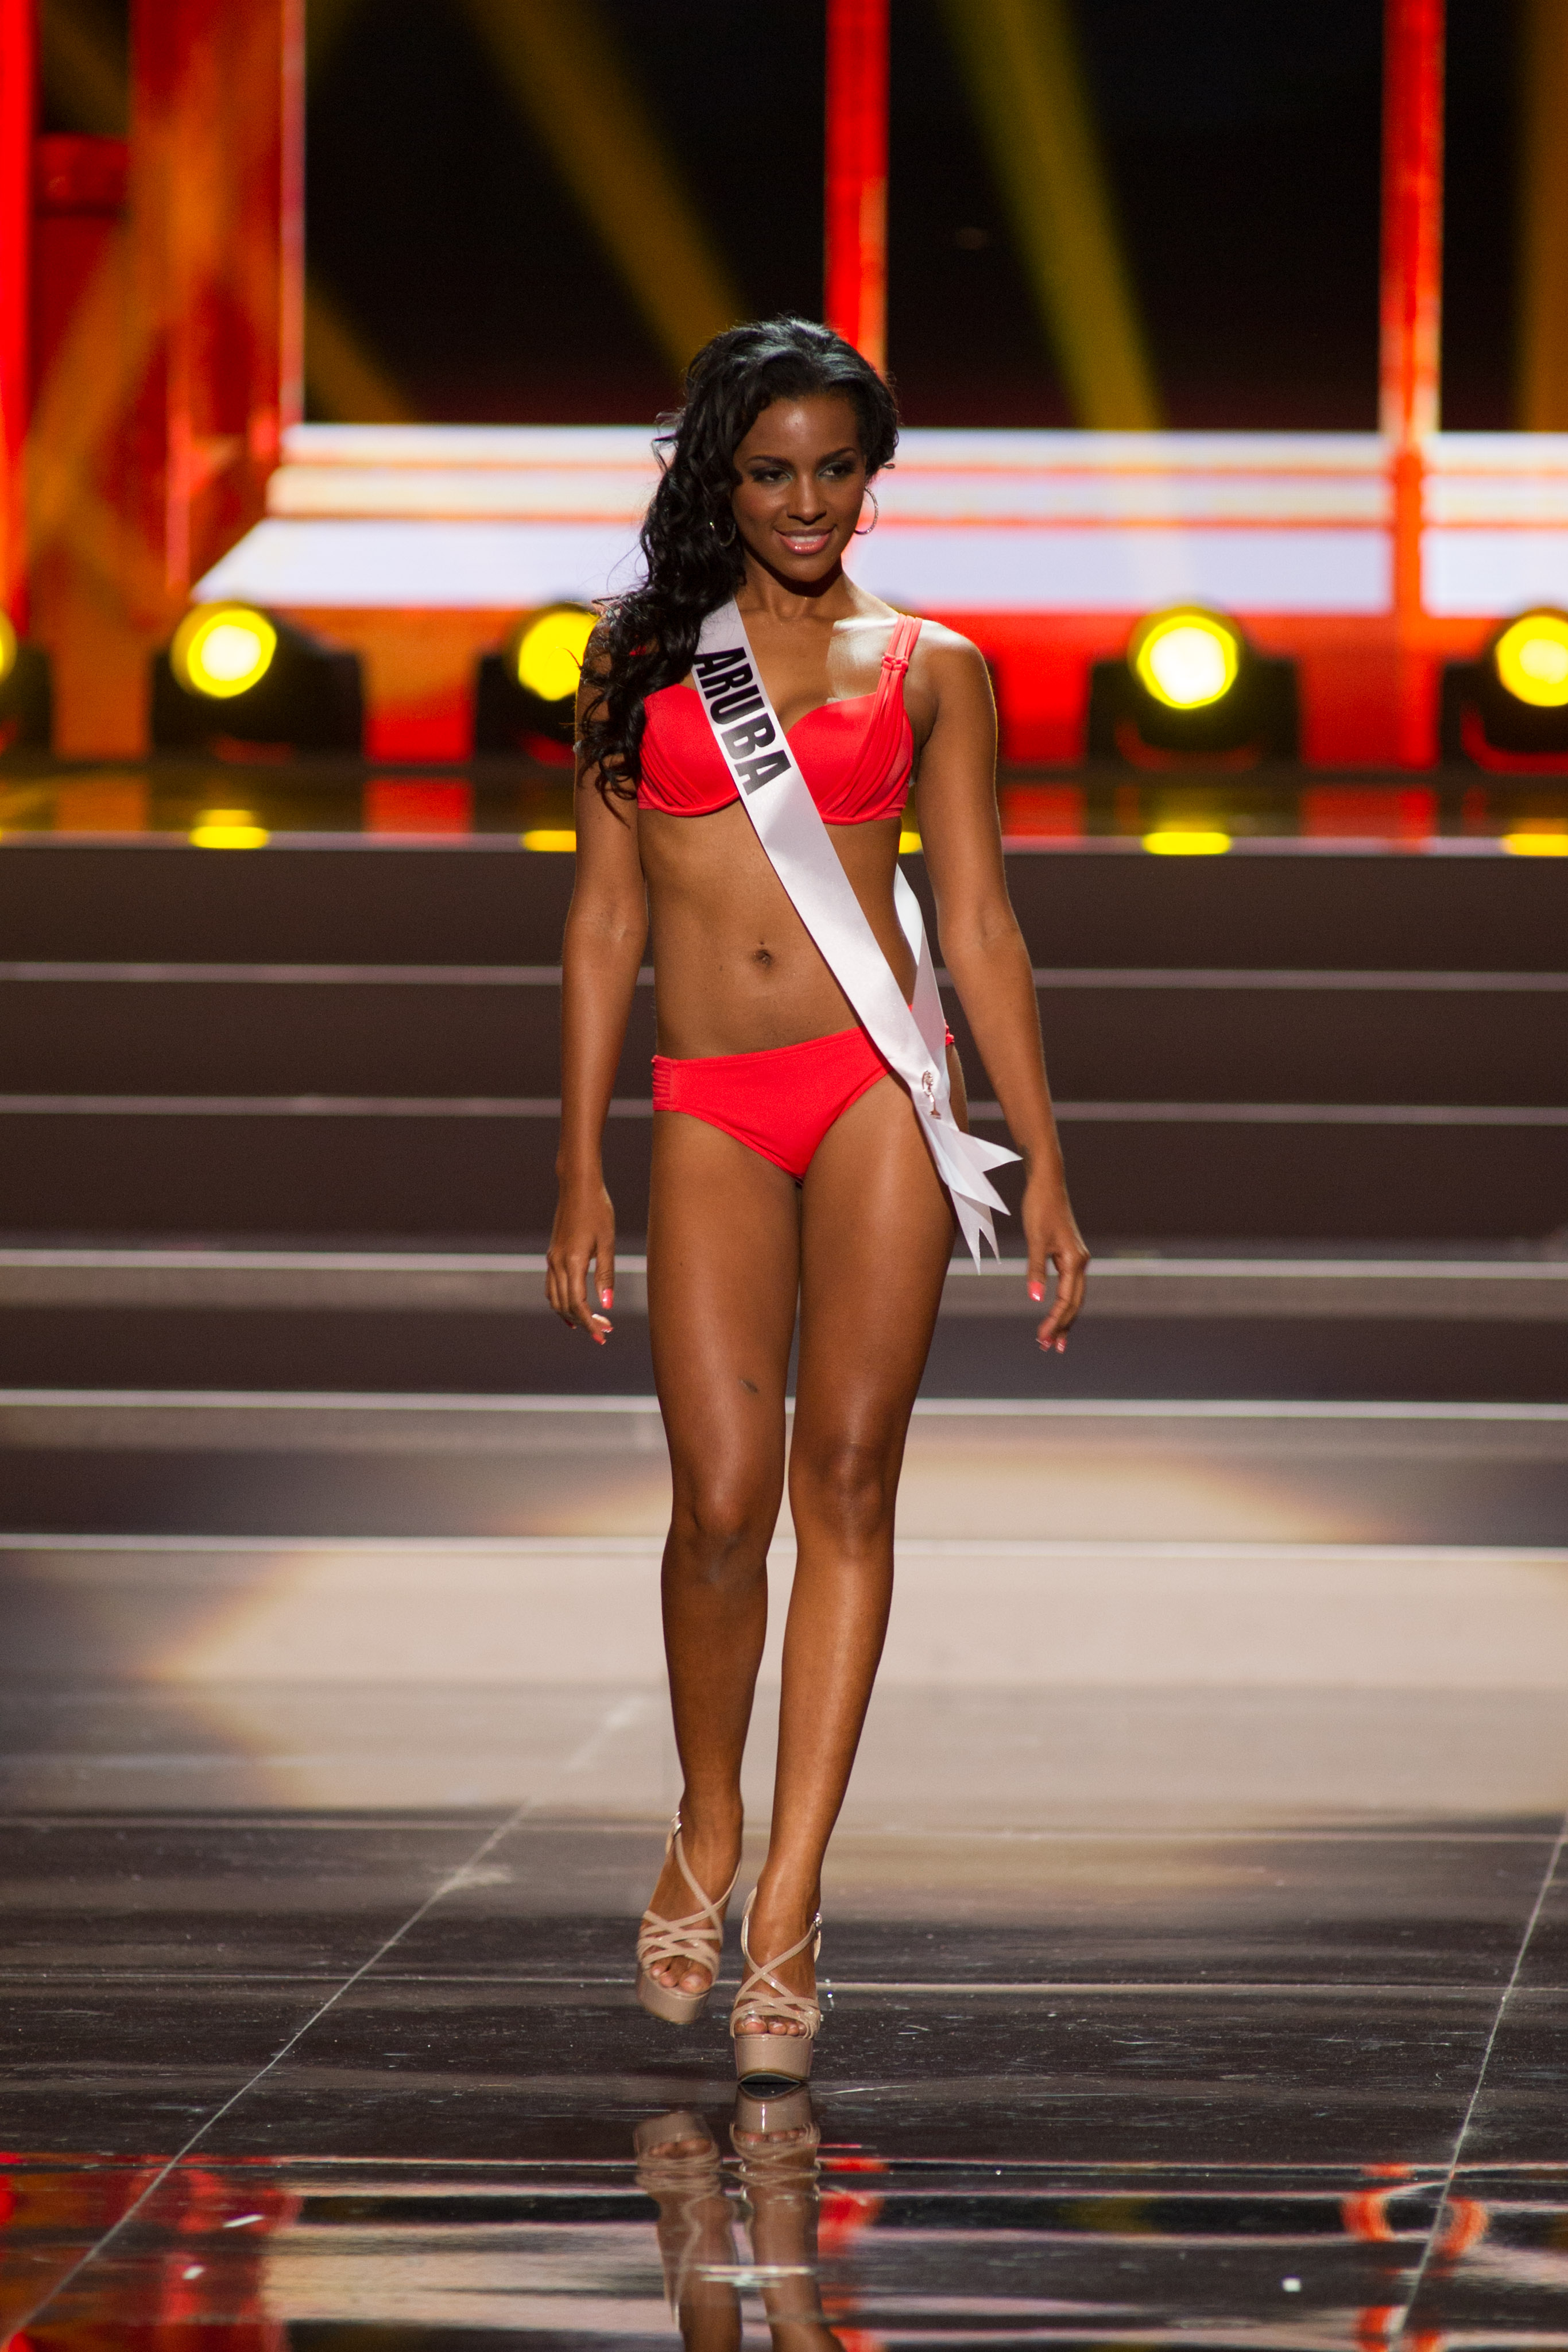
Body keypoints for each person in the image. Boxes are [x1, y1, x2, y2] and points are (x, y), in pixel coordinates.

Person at [547, 316, 1087, 2086]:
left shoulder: (933, 665)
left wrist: (1049, 1168)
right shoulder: (636, 662)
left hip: (874, 1093)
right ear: (721, 473)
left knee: (843, 1479)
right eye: (769, 470)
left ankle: (786, 1899)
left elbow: (985, 923)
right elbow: (607, 925)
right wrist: (575, 1168)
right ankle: (704, 1818)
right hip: (708, 1104)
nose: (803, 500)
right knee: (719, 1502)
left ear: (873, 474)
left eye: (834, 468)